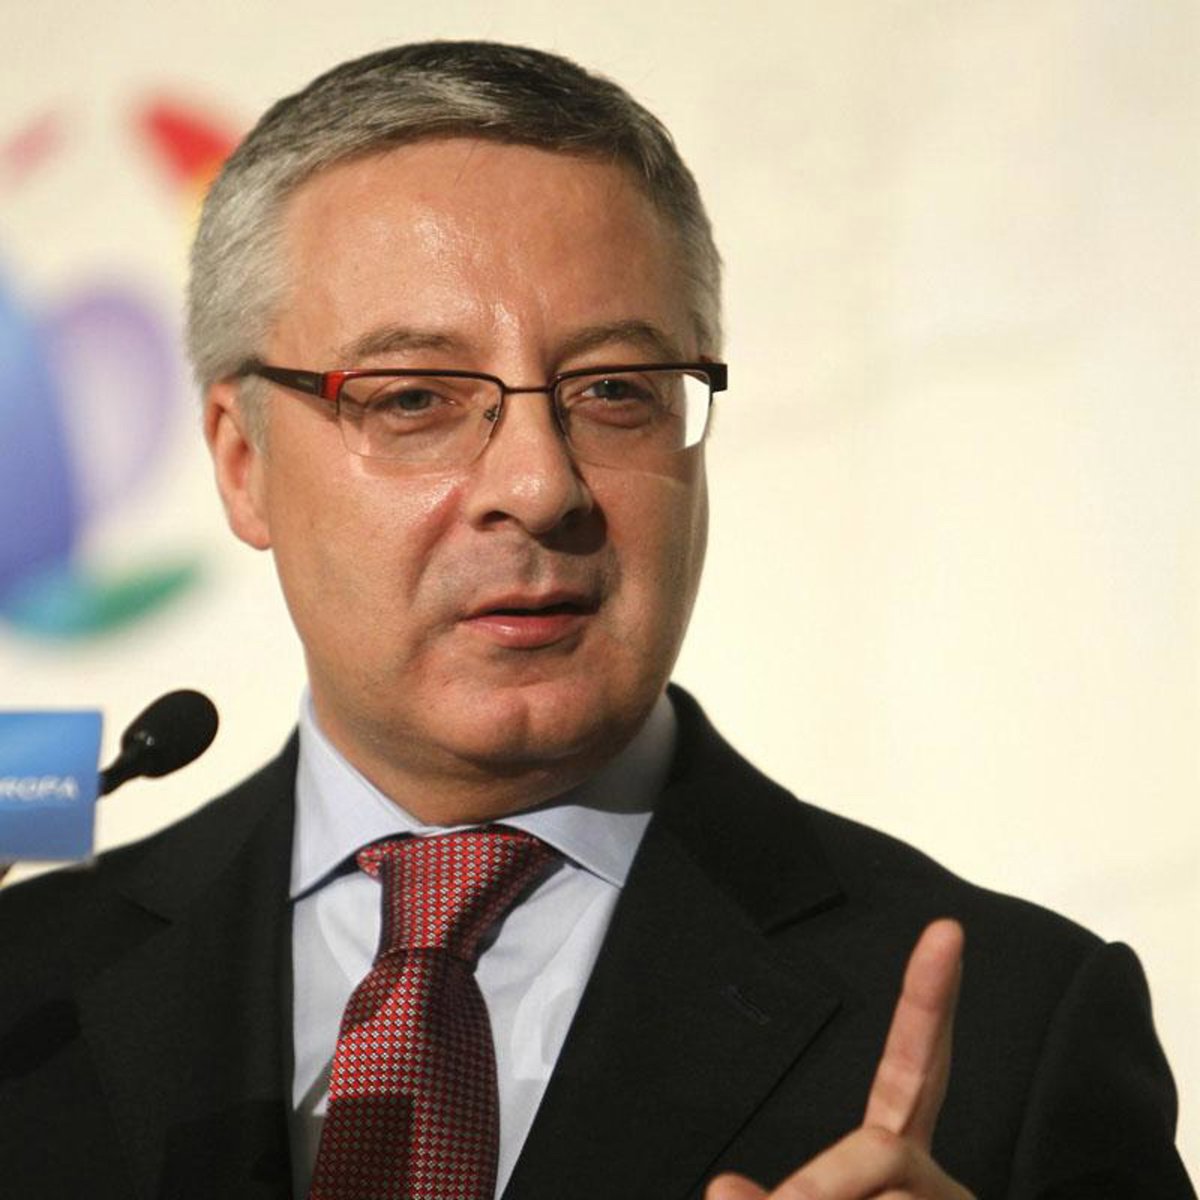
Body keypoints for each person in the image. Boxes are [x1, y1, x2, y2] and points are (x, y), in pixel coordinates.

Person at [0, 40, 1192, 1200]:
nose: (540, 486)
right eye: (414, 398)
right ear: (242, 461)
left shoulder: (1017, 1031)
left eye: (617, 390)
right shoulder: (25, 990)